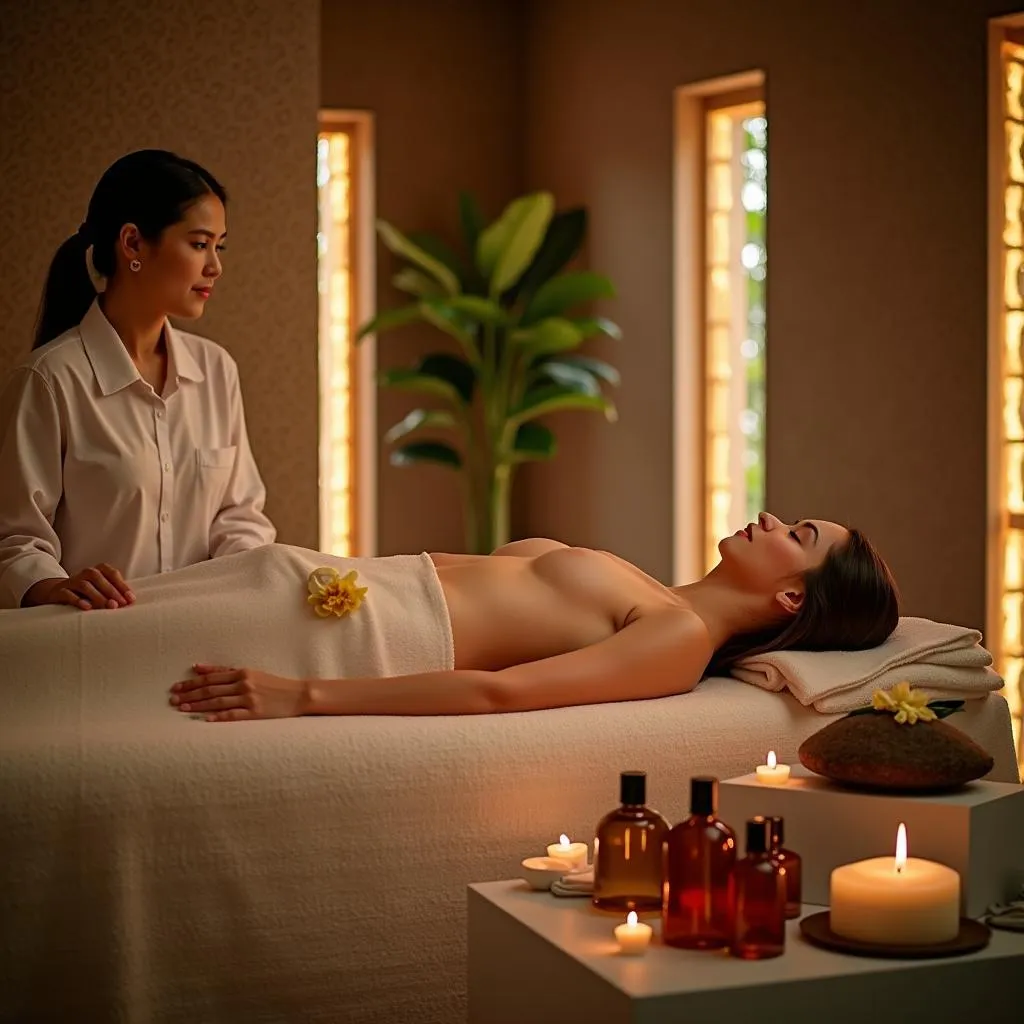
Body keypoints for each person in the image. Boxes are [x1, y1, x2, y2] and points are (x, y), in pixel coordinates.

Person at [169, 512, 899, 721]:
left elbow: (504, 692)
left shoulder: (679, 637)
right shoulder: (655, 590)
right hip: (322, 581)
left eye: (796, 536)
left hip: (352, 630)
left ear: (793, 599)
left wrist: (301, 696)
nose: (771, 518)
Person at [0, 150, 275, 611]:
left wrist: (246, 579)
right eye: (199, 243)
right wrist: (52, 586)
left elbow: (240, 515)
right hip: (91, 644)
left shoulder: (216, 369)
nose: (215, 266)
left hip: (204, 636)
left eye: (218, 246)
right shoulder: (49, 380)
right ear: (132, 244)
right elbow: (15, 540)